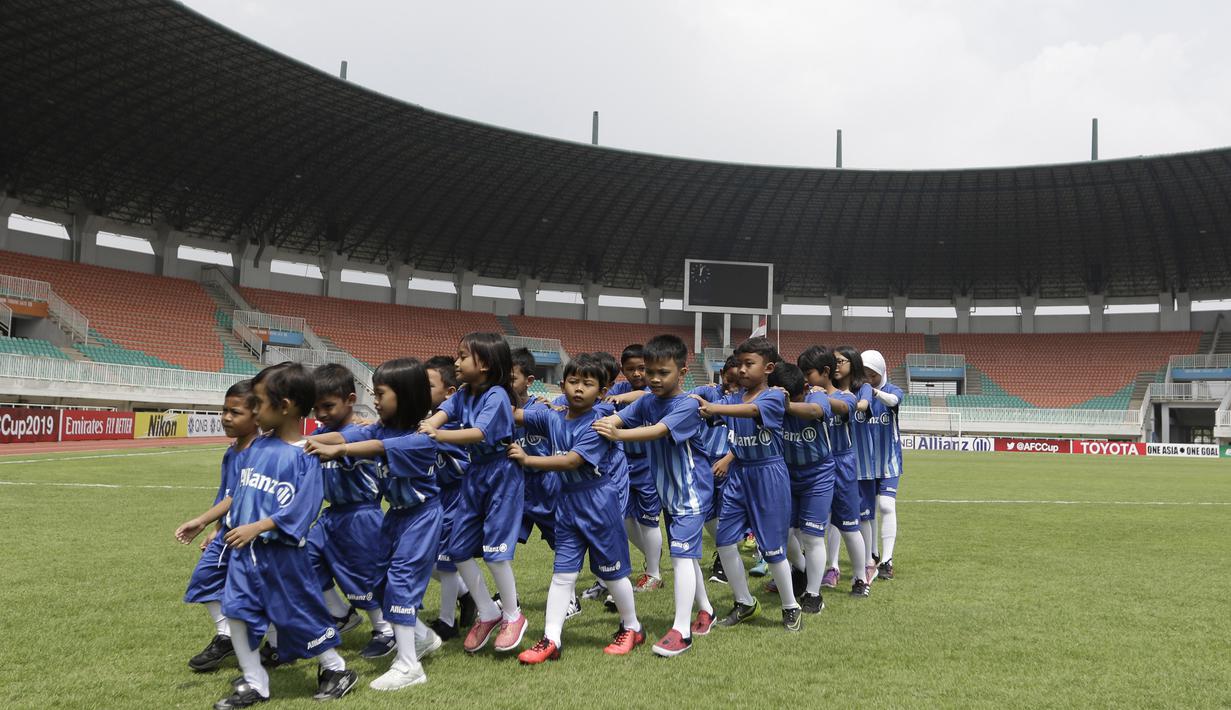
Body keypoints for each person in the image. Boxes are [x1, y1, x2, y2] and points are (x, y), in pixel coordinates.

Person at [214, 363, 356, 709]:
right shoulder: (256, 447)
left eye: (259, 403)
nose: (253, 411)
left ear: (286, 406)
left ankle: (336, 668)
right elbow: (241, 495)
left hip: (282, 555)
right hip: (244, 553)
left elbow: (303, 511)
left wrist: (259, 527)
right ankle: (255, 682)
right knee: (236, 612)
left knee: (297, 614)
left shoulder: (305, 455)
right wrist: (223, 526)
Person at [307, 358, 444, 691]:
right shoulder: (380, 427)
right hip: (396, 515)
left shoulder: (421, 437)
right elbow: (352, 434)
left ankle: (409, 666)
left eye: (381, 394)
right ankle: (422, 636)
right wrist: (304, 442)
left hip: (422, 517)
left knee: (400, 581)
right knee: (378, 583)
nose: (376, 400)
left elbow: (376, 447)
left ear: (405, 395)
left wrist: (340, 450)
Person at [512, 354, 645, 663]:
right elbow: (515, 414)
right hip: (567, 504)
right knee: (563, 574)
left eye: (588, 384)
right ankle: (551, 639)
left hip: (599, 502)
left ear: (602, 392)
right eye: (573, 382)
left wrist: (528, 459)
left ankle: (632, 627)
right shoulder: (552, 417)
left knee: (613, 573)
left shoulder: (600, 423)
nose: (579, 389)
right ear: (562, 385)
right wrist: (482, 393)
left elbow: (572, 461)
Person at [594, 334, 717, 657]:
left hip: (691, 492)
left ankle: (681, 630)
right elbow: (620, 417)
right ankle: (707, 610)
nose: (654, 378)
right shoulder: (648, 400)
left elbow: (658, 430)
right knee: (687, 555)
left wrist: (617, 434)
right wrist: (598, 424)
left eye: (663, 372)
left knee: (681, 557)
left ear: (683, 372)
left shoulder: (687, 405)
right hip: (669, 492)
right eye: (650, 372)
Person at [419, 332, 527, 654]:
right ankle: (488, 612)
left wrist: (436, 434)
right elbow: (440, 415)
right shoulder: (463, 393)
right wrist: (430, 425)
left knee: (496, 551)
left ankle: (513, 615)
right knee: (458, 549)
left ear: (485, 365)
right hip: (476, 474)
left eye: (463, 356)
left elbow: (478, 433)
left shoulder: (496, 395)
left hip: (501, 474)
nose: (457, 362)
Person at [695, 337, 802, 632]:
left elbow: (752, 411)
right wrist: (697, 404)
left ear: (768, 368)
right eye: (739, 364)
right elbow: (714, 410)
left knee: (772, 548)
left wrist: (714, 408)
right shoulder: (731, 399)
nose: (742, 370)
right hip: (739, 474)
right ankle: (744, 602)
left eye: (749, 364)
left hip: (768, 475)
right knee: (725, 540)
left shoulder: (774, 396)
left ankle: (790, 606)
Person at [305, 364, 392, 657]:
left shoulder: (361, 431)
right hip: (332, 514)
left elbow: (337, 442)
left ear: (351, 399)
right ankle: (341, 613)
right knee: (304, 559)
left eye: (328, 406)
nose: (321, 414)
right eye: (316, 408)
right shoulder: (323, 432)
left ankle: (384, 628)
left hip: (361, 515)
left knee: (363, 574)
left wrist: (291, 439)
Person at [175, 380, 259, 673]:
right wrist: (216, 528)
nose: (226, 417)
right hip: (228, 531)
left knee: (255, 592)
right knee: (207, 578)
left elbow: (238, 496)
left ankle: (266, 644)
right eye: (224, 410)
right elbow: (225, 492)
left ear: (257, 415)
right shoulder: (232, 451)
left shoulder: (258, 452)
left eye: (235, 412)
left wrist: (202, 520)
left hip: (248, 534)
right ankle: (228, 636)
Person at [799, 346, 870, 598]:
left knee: (849, 525)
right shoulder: (805, 397)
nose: (805, 379)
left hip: (841, 463)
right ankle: (802, 574)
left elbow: (843, 407)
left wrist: (819, 399)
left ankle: (860, 578)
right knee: (807, 529)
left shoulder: (846, 396)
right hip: (814, 466)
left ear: (825, 371)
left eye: (808, 373)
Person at [772, 362, 840, 615]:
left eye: (797, 395)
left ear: (804, 387)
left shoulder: (817, 396)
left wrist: (788, 405)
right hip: (787, 476)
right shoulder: (771, 401)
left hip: (818, 475)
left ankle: (813, 593)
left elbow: (814, 411)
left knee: (812, 536)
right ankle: (802, 569)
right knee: (782, 535)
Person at [423, 355, 478, 640]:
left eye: (429, 386)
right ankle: (467, 595)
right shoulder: (428, 422)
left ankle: (447, 622)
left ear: (449, 393)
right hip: (436, 499)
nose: (422, 391)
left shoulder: (455, 428)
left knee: (445, 562)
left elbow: (461, 467)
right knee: (428, 560)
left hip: (456, 500)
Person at [605, 344, 664, 592]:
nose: (637, 373)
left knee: (649, 520)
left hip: (649, 464)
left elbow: (642, 396)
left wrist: (621, 399)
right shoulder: (617, 388)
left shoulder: (656, 390)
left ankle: (654, 574)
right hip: (622, 465)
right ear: (623, 370)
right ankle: (652, 559)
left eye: (642, 368)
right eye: (631, 369)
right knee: (627, 520)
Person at [858, 349, 903, 580]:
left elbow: (894, 401)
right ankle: (873, 553)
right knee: (868, 512)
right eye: (864, 374)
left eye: (873, 374)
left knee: (885, 505)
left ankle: (887, 559)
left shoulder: (892, 390)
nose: (869, 379)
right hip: (865, 462)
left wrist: (873, 393)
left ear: (882, 372)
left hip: (889, 461)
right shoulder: (857, 393)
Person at [692, 356, 738, 584]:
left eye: (738, 381)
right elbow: (685, 398)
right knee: (708, 513)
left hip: (731, 460)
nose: (733, 385)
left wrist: (728, 459)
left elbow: (748, 437)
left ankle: (725, 561)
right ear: (722, 374)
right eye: (729, 379)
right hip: (704, 461)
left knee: (728, 512)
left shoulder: (744, 400)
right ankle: (724, 552)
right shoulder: (708, 392)